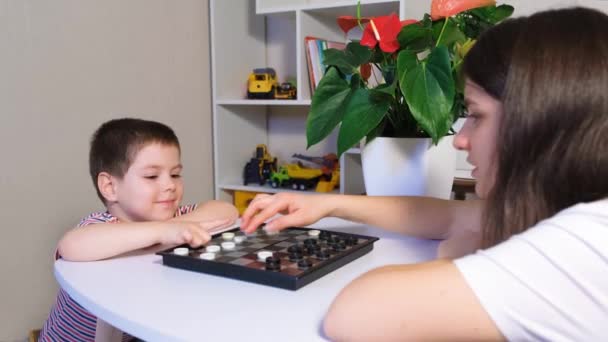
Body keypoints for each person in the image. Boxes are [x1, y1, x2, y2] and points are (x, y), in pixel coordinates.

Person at [241, 7, 608, 341]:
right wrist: (327, 205)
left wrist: (456, 260)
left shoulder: (581, 245)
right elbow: (444, 215)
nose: (461, 139)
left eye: (477, 116)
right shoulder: (579, 211)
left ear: (536, 124)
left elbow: (355, 314)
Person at [40, 118, 239, 341]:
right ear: (110, 187)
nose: (170, 185)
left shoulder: (178, 219)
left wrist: (172, 228)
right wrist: (162, 232)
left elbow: (225, 210)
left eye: (175, 174)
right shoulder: (101, 226)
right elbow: (71, 245)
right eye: (152, 176)